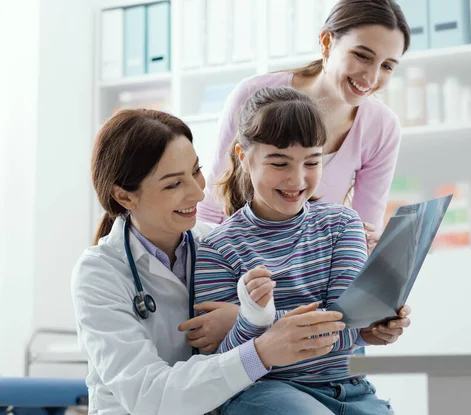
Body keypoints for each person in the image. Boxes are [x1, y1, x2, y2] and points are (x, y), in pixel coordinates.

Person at [71, 109, 348, 415]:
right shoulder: (99, 273)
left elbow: (293, 307)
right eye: (173, 184)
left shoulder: (220, 243)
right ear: (124, 197)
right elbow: (149, 395)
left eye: (196, 171)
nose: (198, 192)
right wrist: (261, 352)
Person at [194, 86, 409, 414]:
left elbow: (346, 328)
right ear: (243, 156)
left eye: (312, 162)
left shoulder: (342, 225)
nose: (297, 179)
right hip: (264, 393)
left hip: (350, 391)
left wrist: (247, 319)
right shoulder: (216, 247)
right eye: (279, 163)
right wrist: (254, 322)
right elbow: (221, 361)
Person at [197, 0, 411, 251]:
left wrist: (368, 245)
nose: (371, 78)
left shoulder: (382, 127)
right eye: (362, 56)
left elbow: (364, 228)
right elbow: (211, 206)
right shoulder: (254, 94)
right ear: (327, 42)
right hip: (235, 258)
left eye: (387, 66)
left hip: (312, 269)